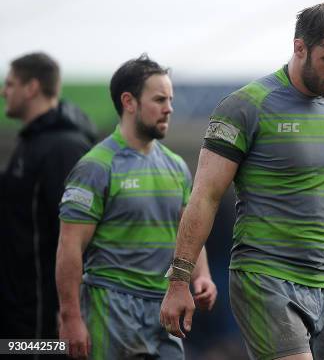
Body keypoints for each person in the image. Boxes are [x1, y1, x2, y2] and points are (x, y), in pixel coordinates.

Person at [159, 0, 324, 360]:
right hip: (263, 277)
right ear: (299, 48)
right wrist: (179, 279)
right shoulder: (245, 106)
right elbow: (205, 196)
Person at [56, 54, 217, 359]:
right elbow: (69, 247)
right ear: (129, 102)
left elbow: (190, 232)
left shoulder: (176, 166)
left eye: (170, 99)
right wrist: (71, 318)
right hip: (111, 306)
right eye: (159, 99)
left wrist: (202, 276)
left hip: (164, 307)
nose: (169, 108)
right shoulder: (95, 167)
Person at [0, 52, 96, 344]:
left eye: (11, 84)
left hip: (44, 319)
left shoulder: (62, 148)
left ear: (32, 88)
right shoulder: (31, 143)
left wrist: (70, 312)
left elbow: (76, 236)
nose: (4, 92)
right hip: (20, 312)